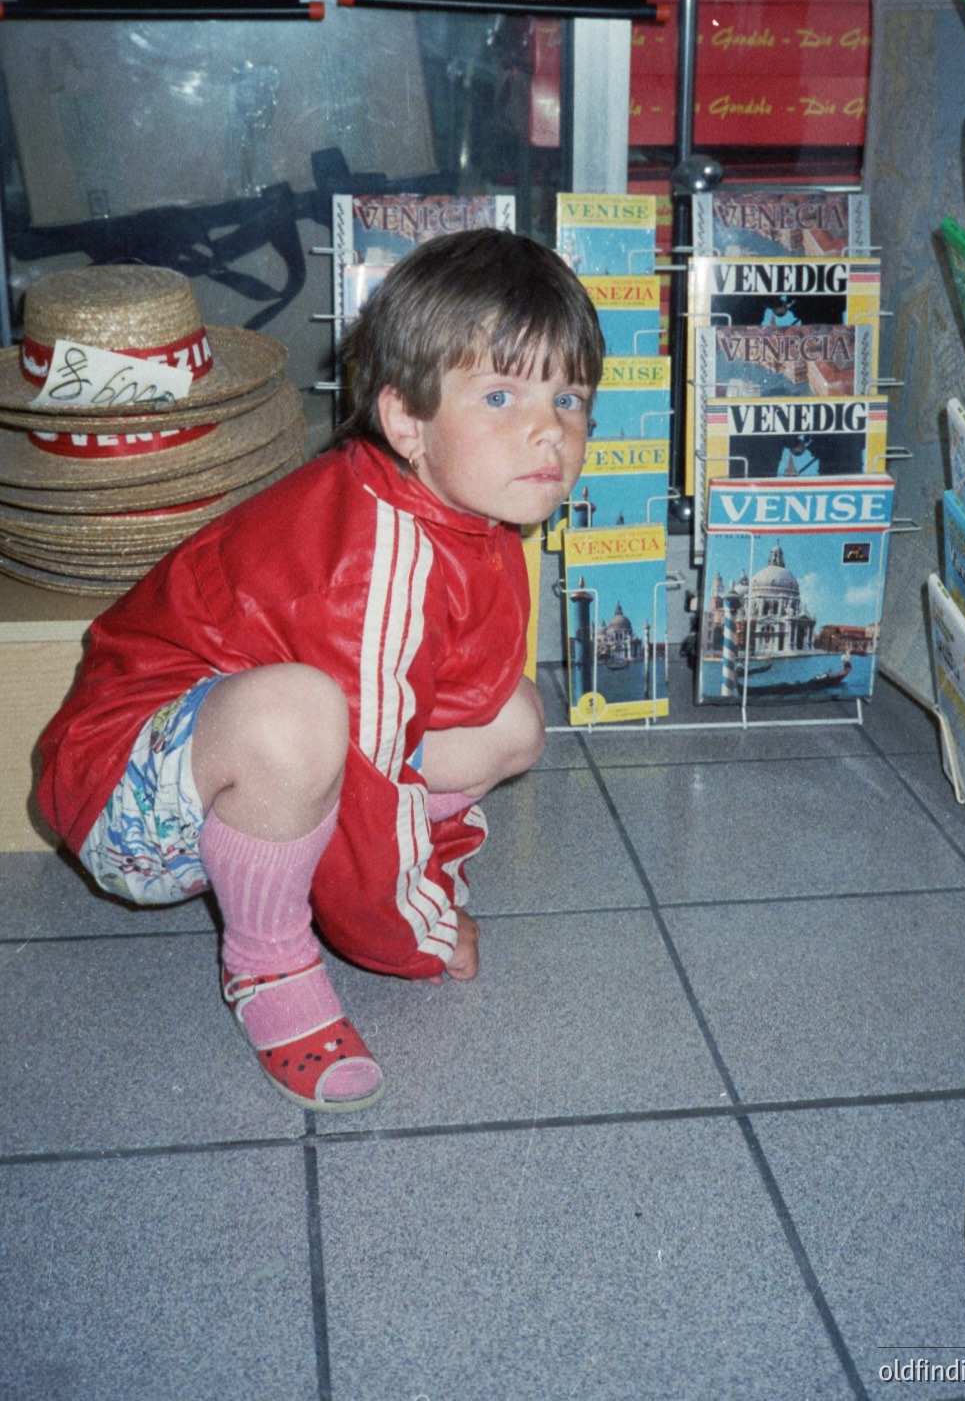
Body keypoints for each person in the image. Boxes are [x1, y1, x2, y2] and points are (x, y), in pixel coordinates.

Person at [36, 229, 604, 1113]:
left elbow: (441, 707)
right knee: (301, 715)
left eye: (568, 397)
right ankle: (266, 965)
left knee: (513, 719)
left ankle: (288, 836)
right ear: (405, 421)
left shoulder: (469, 515)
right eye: (500, 394)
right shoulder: (373, 562)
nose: (547, 430)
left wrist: (433, 866)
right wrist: (415, 935)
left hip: (229, 753)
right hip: (125, 794)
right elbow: (373, 786)